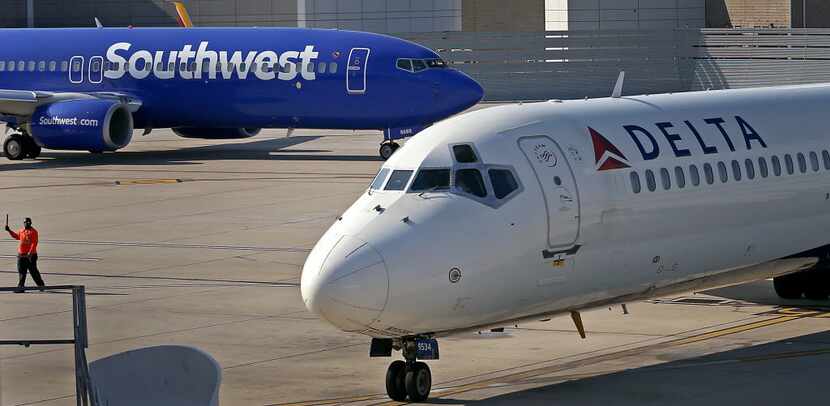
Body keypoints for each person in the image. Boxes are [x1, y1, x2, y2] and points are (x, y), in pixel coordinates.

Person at [5, 217, 44, 293]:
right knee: (21, 272)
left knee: (33, 271)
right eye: (25, 222)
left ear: (31, 223)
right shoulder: (21, 231)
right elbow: (16, 236)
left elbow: (34, 243)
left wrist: (30, 253)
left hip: (30, 256)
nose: (27, 223)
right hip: (21, 255)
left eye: (28, 222)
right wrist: (9, 230)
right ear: (24, 223)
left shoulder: (33, 232)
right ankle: (21, 287)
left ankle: (41, 285)